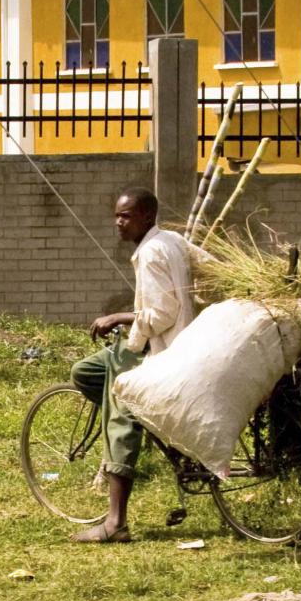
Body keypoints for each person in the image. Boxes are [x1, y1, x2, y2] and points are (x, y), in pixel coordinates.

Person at [70, 187, 209, 543]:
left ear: (147, 216)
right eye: (117, 215)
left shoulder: (151, 252)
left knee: (120, 408)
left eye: (126, 216)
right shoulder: (172, 240)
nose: (118, 222)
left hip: (161, 348)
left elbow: (163, 315)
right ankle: (146, 420)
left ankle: (115, 524)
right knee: (85, 372)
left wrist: (118, 317)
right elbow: (211, 265)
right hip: (158, 342)